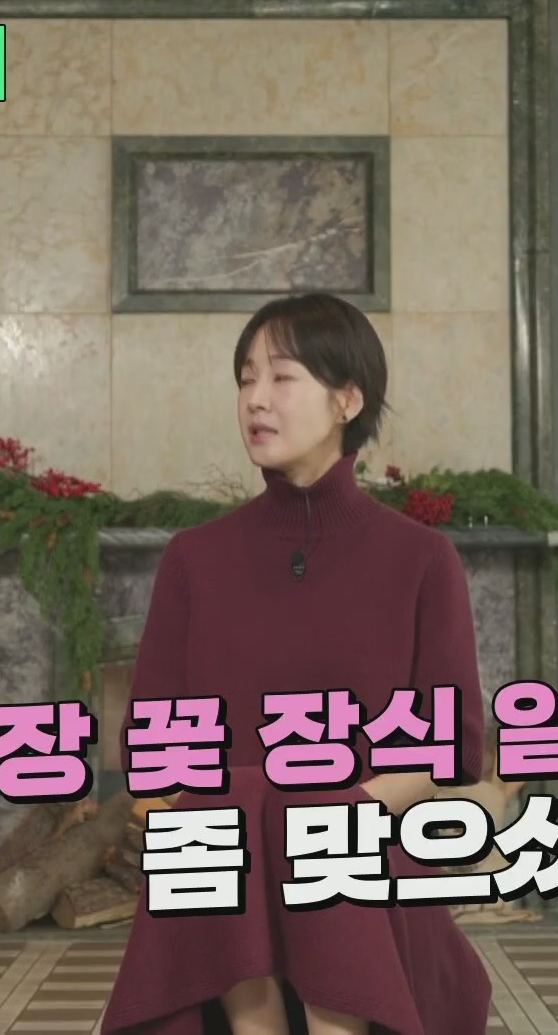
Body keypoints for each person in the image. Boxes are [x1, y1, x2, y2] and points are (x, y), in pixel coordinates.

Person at [99, 293, 495, 1035]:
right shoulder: (195, 559)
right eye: (246, 379)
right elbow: (155, 749)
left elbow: (447, 749)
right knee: (235, 817)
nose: (255, 399)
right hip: (223, 856)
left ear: (348, 400)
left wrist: (339, 814)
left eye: (281, 377)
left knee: (313, 824)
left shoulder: (420, 558)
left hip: (365, 843)